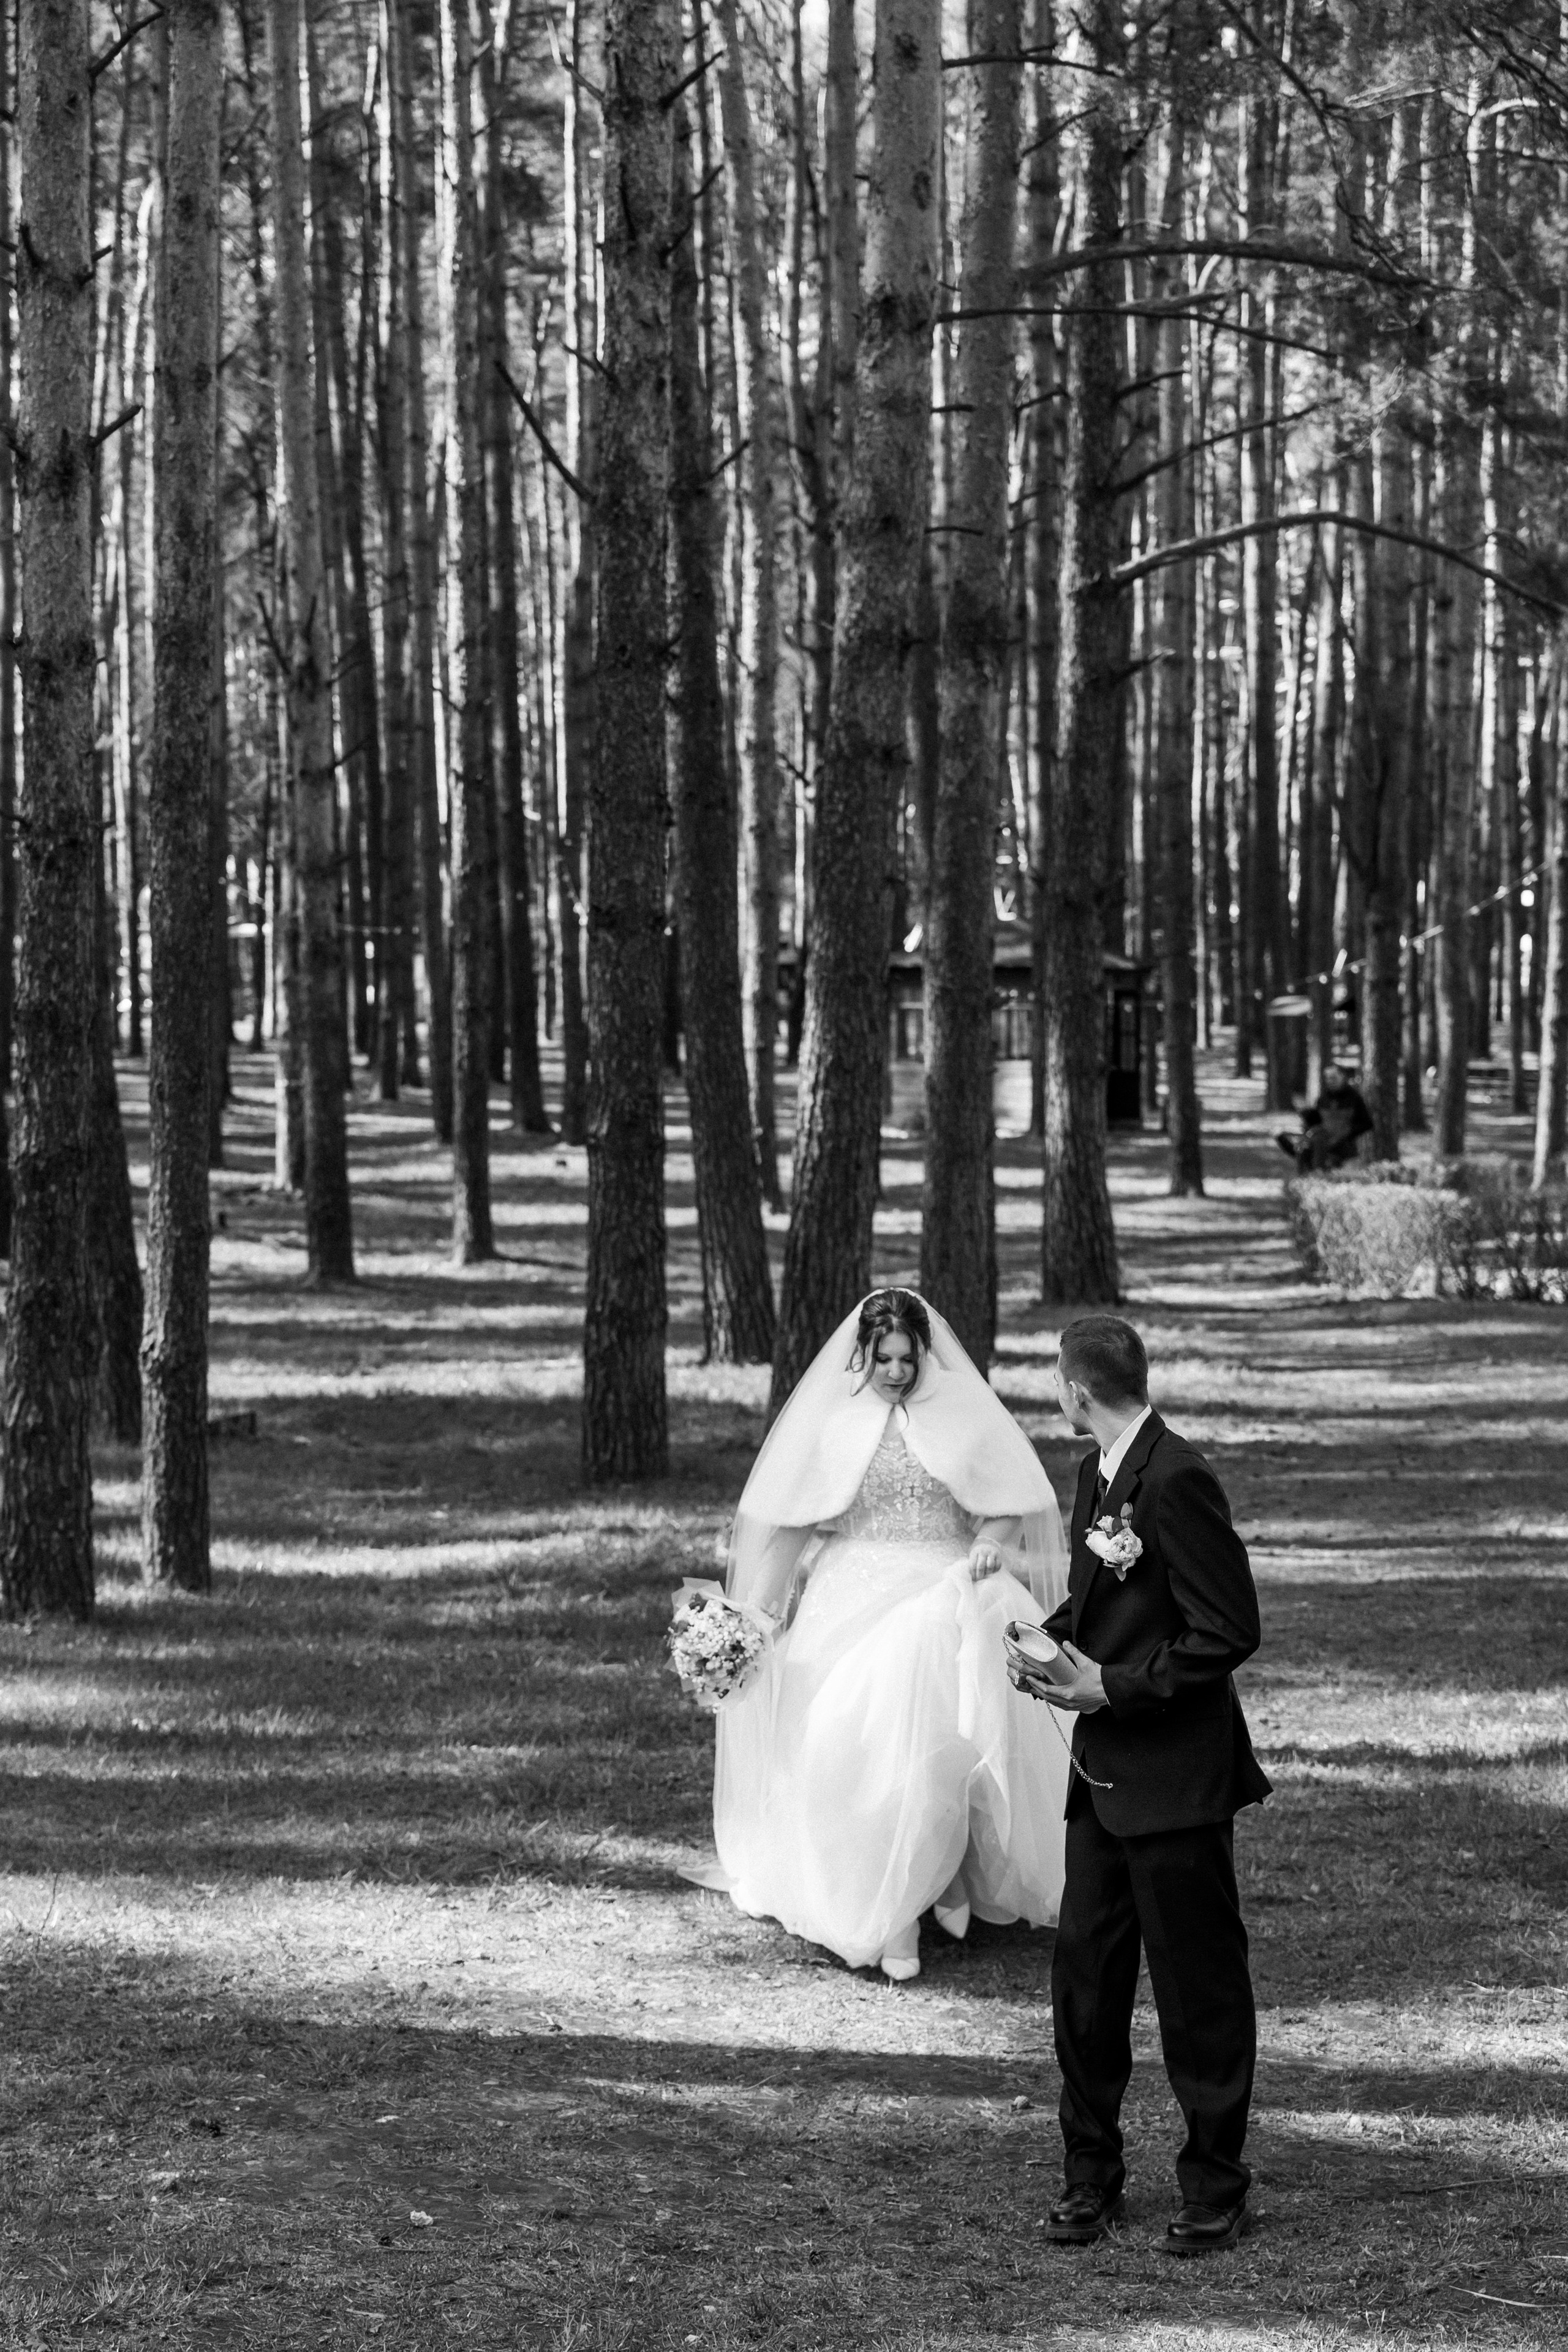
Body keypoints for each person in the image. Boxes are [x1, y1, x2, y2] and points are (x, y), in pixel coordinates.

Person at [707, 1288, 1069, 1983]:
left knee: (933, 1721)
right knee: (849, 1738)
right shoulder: (835, 1425)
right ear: (862, 1355)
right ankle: (893, 1904)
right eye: (884, 1358)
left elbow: (1005, 1507)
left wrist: (987, 1549)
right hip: (851, 1589)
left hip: (939, 1582)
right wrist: (754, 1615)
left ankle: (946, 1872)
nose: (897, 1371)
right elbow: (793, 1528)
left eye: (908, 1357)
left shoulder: (961, 1416)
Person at [1011, 1313, 1271, 2257]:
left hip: (1176, 1784)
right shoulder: (1095, 1474)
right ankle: (1091, 2180)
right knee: (1085, 1983)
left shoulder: (1179, 1477)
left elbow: (1227, 1629)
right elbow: (1100, 1601)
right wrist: (1046, 1642)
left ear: (1075, 1389)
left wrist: (1109, 1687)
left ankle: (1217, 2188)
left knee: (1199, 1994)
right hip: (1101, 1777)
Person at [1276, 1062, 1373, 1172]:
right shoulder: (1323, 1099)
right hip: (1322, 1146)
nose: (1331, 1081)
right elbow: (1316, 1122)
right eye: (1328, 1078)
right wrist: (1307, 1116)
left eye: (1334, 1078)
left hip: (1346, 1150)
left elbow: (1367, 1123)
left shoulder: (1354, 1098)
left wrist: (1347, 1134)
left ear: (1343, 1077)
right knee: (1305, 1154)